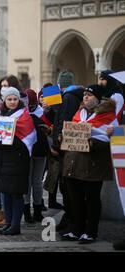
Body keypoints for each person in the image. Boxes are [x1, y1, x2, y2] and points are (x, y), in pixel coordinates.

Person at [60, 85, 117, 244]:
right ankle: (76, 229)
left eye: (89, 95)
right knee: (75, 199)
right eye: (84, 94)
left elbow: (108, 139)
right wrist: (62, 137)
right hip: (74, 163)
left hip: (93, 164)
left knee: (92, 200)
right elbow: (71, 133)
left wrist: (92, 143)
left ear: (98, 99)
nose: (85, 97)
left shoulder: (108, 116)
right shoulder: (79, 113)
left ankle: (91, 232)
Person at [0, 87, 36, 235]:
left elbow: (28, 140)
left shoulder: (24, 116)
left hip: (17, 160)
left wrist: (9, 140)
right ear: (4, 100)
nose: (12, 102)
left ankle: (15, 225)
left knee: (16, 194)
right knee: (6, 193)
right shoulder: (2, 114)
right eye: (9, 99)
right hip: (3, 160)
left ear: (19, 100)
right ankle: (8, 223)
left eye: (15, 99)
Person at [52, 71, 84, 233]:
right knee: (67, 186)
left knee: (67, 186)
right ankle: (69, 217)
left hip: (65, 147)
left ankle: (72, 219)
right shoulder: (70, 96)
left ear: (60, 84)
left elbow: (63, 121)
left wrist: (57, 145)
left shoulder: (69, 97)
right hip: (67, 147)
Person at [23, 89, 51, 223]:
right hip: (38, 150)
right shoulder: (42, 113)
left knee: (31, 181)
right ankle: (35, 211)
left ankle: (30, 210)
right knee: (35, 181)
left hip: (33, 150)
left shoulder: (24, 113)